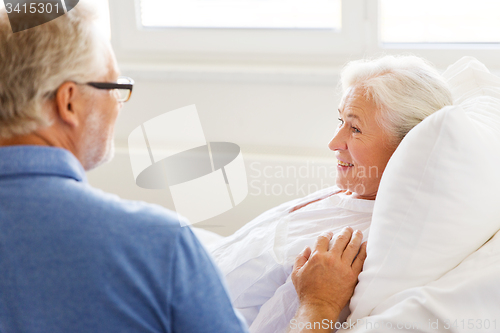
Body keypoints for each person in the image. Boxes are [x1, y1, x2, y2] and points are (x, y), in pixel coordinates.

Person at [0, 5, 249, 333]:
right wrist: (315, 308)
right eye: (114, 87)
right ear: (68, 102)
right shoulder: (160, 245)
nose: (118, 105)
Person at [208, 55, 453, 333]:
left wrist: (320, 303)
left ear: (408, 148)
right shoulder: (353, 191)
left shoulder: (357, 247)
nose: (333, 142)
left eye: (355, 128)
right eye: (340, 121)